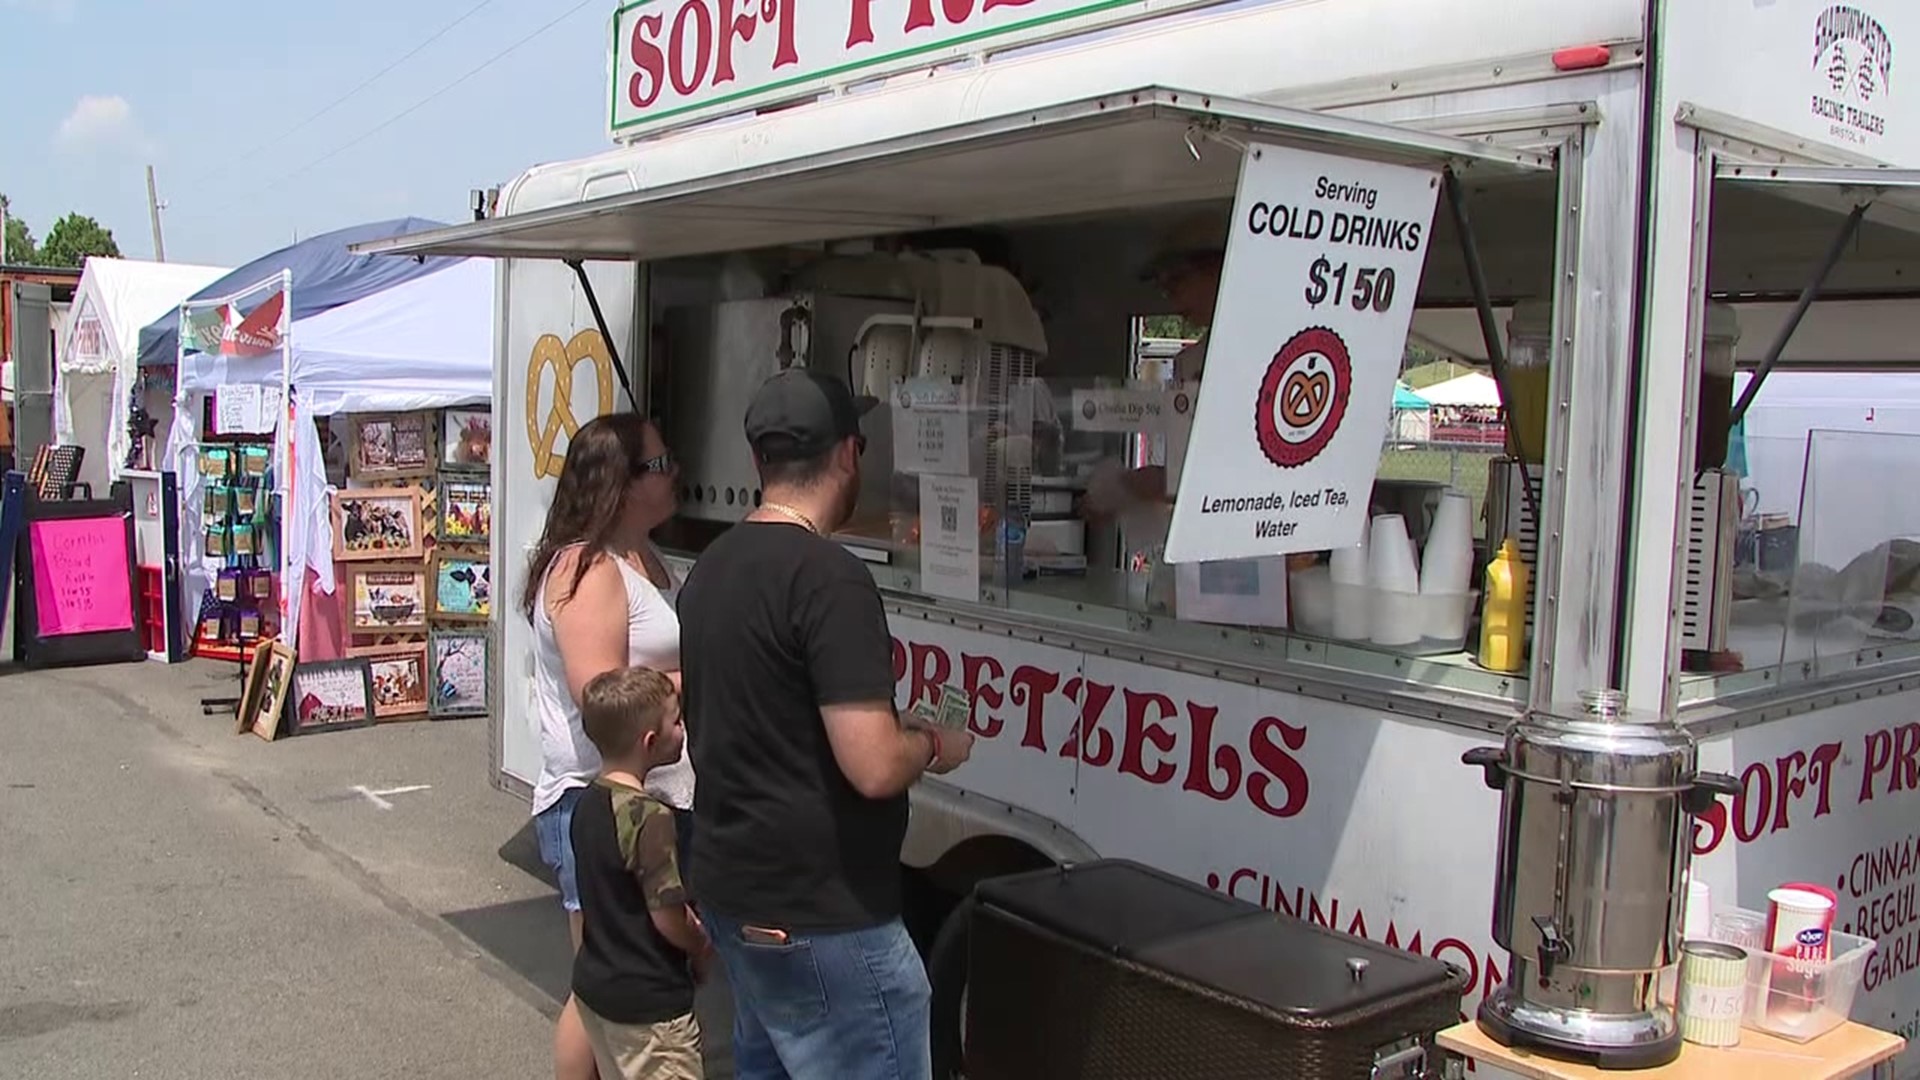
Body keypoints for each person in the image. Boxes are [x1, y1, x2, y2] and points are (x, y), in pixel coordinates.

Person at [678, 368, 976, 1080]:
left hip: (734, 893)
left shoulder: (711, 568)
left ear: (759, 463)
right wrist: (933, 742)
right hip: (824, 915)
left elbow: (762, 716)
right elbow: (872, 764)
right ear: (849, 455)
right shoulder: (828, 577)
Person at [523, 412, 692, 1080]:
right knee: (599, 989)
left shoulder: (641, 559)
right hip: (594, 803)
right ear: (620, 484)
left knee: (608, 985)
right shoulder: (588, 569)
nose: (675, 471)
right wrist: (699, 674)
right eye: (660, 463)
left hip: (639, 801)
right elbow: (602, 695)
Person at [571, 666, 713, 1080]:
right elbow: (667, 915)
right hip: (650, 1006)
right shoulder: (649, 816)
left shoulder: (587, 803)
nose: (683, 728)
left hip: (598, 989)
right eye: (677, 720)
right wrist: (700, 943)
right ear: (650, 742)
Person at [1084, 210, 1225, 519]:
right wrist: (1126, 488)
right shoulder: (1189, 363)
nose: (1172, 299)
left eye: (1176, 280)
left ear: (1221, 269)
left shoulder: (1282, 349)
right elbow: (1184, 473)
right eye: (1163, 287)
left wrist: (1133, 485)